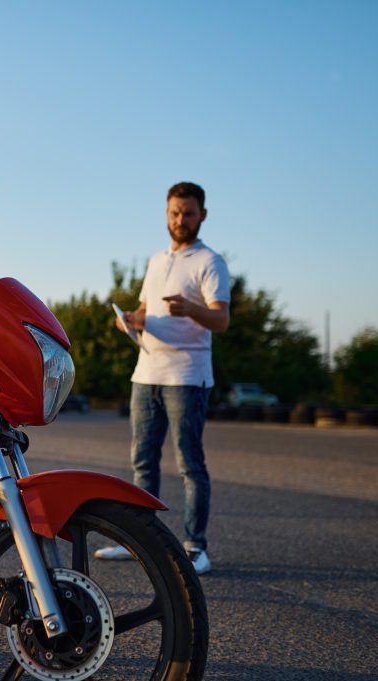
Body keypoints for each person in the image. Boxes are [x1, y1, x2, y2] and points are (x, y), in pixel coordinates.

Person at [95, 181, 230, 575]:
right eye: (174, 212)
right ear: (166, 214)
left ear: (202, 215)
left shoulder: (210, 262)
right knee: (143, 462)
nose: (180, 220)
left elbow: (221, 319)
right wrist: (129, 322)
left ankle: (196, 547)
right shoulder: (156, 260)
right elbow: (143, 309)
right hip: (146, 372)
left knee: (189, 463)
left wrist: (191, 308)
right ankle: (141, 541)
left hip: (187, 375)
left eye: (188, 213)